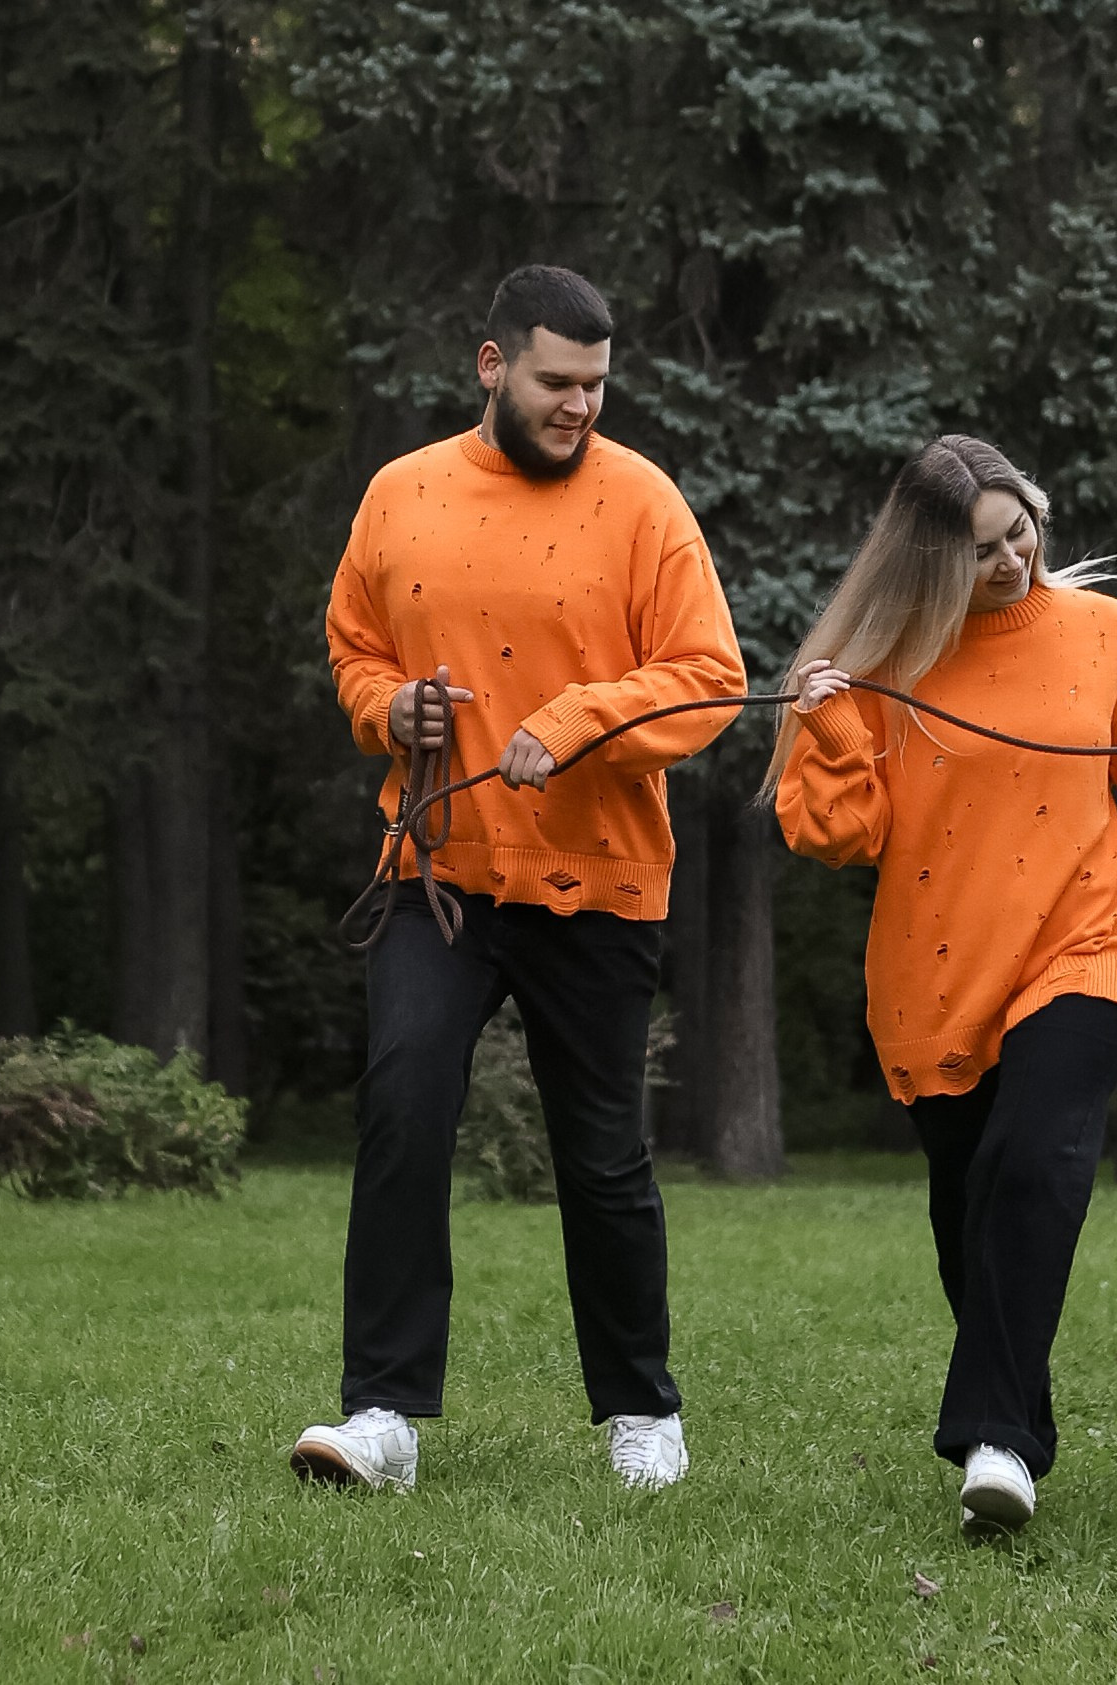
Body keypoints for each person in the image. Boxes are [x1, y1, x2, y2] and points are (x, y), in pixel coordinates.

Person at [769, 435, 1117, 1534]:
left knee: (1035, 1150)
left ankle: (996, 1440)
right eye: (980, 551)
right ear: (926, 562)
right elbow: (839, 831)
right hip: (941, 971)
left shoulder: (1100, 630)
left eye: (1021, 534)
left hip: (1091, 940)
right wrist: (824, 720)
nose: (1010, 561)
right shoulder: (882, 663)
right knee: (972, 1208)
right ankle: (1016, 1419)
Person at [299, 265, 744, 1493]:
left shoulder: (646, 504)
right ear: (492, 365)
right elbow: (353, 644)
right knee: (403, 1106)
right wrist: (390, 705)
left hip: (596, 877)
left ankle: (642, 1412)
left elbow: (708, 672)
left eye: (597, 385)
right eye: (556, 381)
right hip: (435, 865)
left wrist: (586, 716)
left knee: (600, 1152)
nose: (579, 406)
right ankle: (382, 1412)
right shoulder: (400, 493)